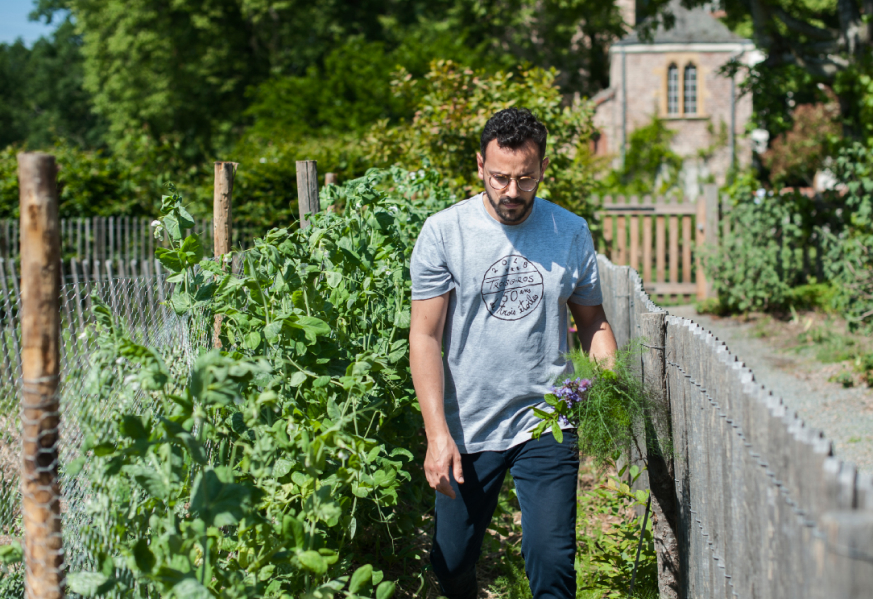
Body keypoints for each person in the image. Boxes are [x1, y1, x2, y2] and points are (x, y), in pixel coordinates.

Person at [408, 107, 618, 599]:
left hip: (547, 418)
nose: (511, 191)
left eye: (525, 179)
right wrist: (437, 435)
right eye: (500, 177)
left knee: (552, 562)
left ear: (542, 169)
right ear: (479, 165)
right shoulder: (444, 232)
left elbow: (593, 321)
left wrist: (613, 388)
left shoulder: (569, 232)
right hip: (468, 424)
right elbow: (425, 337)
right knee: (451, 558)